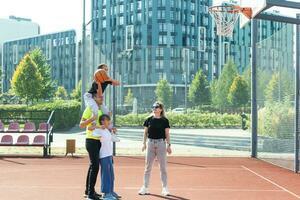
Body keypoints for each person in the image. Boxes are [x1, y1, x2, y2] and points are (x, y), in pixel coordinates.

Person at [138, 101, 172, 196]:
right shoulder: (148, 119)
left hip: (161, 144)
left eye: (157, 107)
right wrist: (144, 143)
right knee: (147, 167)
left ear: (161, 109)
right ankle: (145, 187)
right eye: (153, 107)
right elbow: (145, 133)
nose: (154, 108)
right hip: (150, 144)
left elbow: (167, 134)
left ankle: (165, 188)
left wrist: (169, 145)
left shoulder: (165, 120)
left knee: (163, 168)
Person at [84, 63, 120, 142]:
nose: (106, 70)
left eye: (107, 69)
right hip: (90, 96)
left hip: (98, 97)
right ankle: (94, 131)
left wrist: (109, 79)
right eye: (104, 69)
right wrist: (99, 83)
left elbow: (118, 83)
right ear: (99, 71)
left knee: (107, 113)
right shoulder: (96, 81)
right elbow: (99, 94)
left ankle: (111, 133)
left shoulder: (106, 79)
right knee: (95, 108)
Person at [79, 94, 104, 200]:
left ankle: (89, 191)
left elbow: (98, 126)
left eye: (102, 96)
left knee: (92, 166)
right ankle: (90, 194)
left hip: (98, 141)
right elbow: (81, 124)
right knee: (95, 166)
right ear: (93, 98)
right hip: (91, 141)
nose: (102, 98)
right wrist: (92, 118)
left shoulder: (100, 110)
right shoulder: (89, 109)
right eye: (99, 97)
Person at [93, 114, 121, 200]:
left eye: (109, 120)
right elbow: (93, 133)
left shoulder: (107, 130)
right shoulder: (99, 130)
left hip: (109, 155)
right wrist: (98, 129)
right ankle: (105, 193)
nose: (109, 122)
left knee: (111, 175)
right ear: (102, 121)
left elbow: (116, 139)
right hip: (103, 155)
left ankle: (111, 191)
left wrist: (113, 132)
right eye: (107, 120)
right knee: (106, 175)